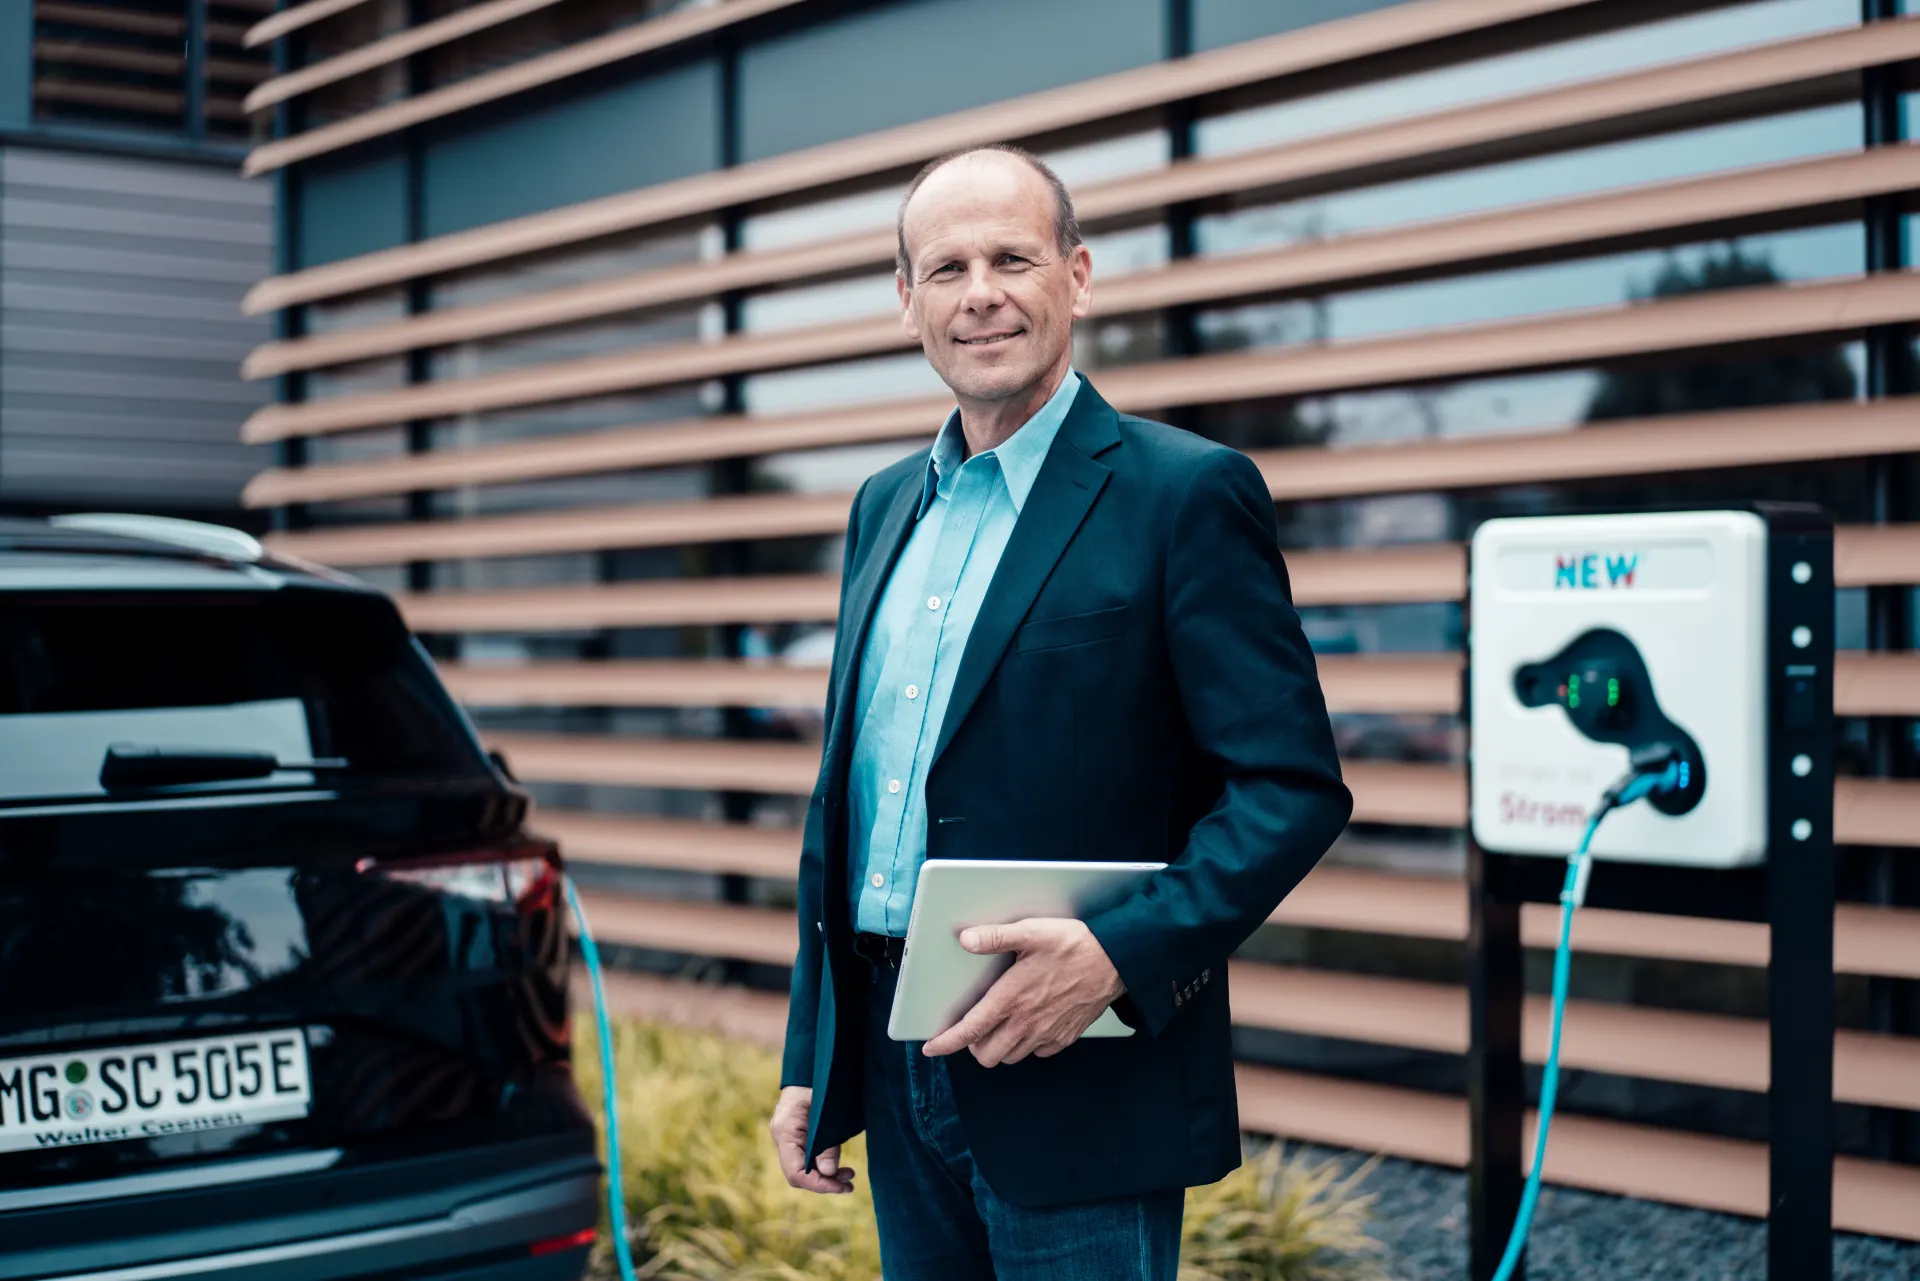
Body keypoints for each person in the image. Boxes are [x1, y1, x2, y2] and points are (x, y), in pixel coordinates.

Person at [766, 144, 1352, 1280]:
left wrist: (1117, 957)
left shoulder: (1184, 493)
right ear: (907, 303)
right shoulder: (884, 508)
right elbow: (848, 808)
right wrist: (813, 1056)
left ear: (1076, 277)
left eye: (1011, 258)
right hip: (897, 1060)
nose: (978, 292)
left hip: (1082, 1069)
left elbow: (1291, 791)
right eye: (945, 268)